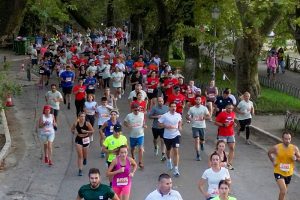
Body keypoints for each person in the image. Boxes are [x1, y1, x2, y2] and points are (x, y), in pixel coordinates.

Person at [268, 131, 300, 200]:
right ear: (282, 139)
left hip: (289, 173)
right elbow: (269, 153)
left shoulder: (294, 148)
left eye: (289, 139)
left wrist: (296, 159)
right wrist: (273, 160)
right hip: (278, 171)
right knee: (283, 190)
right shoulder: (277, 147)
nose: (287, 141)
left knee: (283, 192)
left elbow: (299, 159)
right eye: (286, 139)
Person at [158, 102, 182, 176]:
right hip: (167, 136)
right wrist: (165, 125)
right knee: (168, 150)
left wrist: (180, 126)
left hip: (176, 135)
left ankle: (176, 169)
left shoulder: (178, 115)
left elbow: (180, 121)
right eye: (172, 106)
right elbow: (159, 124)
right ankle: (169, 160)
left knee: (176, 151)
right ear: (169, 107)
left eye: (175, 106)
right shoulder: (165, 116)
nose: (174, 108)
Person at [186, 95, 211, 161]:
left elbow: (209, 117)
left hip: (202, 126)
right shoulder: (192, 108)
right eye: (197, 99)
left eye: (199, 99)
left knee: (202, 140)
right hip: (195, 126)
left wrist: (204, 118)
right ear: (195, 100)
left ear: (201, 100)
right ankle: (198, 155)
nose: (198, 100)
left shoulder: (204, 108)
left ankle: (202, 143)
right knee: (197, 140)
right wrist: (190, 118)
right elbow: (187, 116)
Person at [124, 103, 147, 169]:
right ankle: (133, 157)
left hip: (141, 134)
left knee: (140, 148)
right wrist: (128, 125)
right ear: (132, 110)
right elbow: (125, 122)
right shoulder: (129, 116)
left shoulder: (142, 114)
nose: (137, 111)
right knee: (133, 148)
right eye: (135, 110)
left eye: (138, 110)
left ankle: (140, 162)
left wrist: (144, 125)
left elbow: (143, 122)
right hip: (132, 135)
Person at [214, 103, 236, 170]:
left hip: (231, 133)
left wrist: (234, 123)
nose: (230, 109)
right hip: (223, 134)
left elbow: (232, 121)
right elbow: (215, 122)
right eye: (229, 108)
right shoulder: (221, 114)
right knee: (221, 149)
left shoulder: (233, 114)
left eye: (231, 108)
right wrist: (223, 124)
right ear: (226, 108)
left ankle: (229, 163)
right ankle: (218, 161)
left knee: (232, 148)